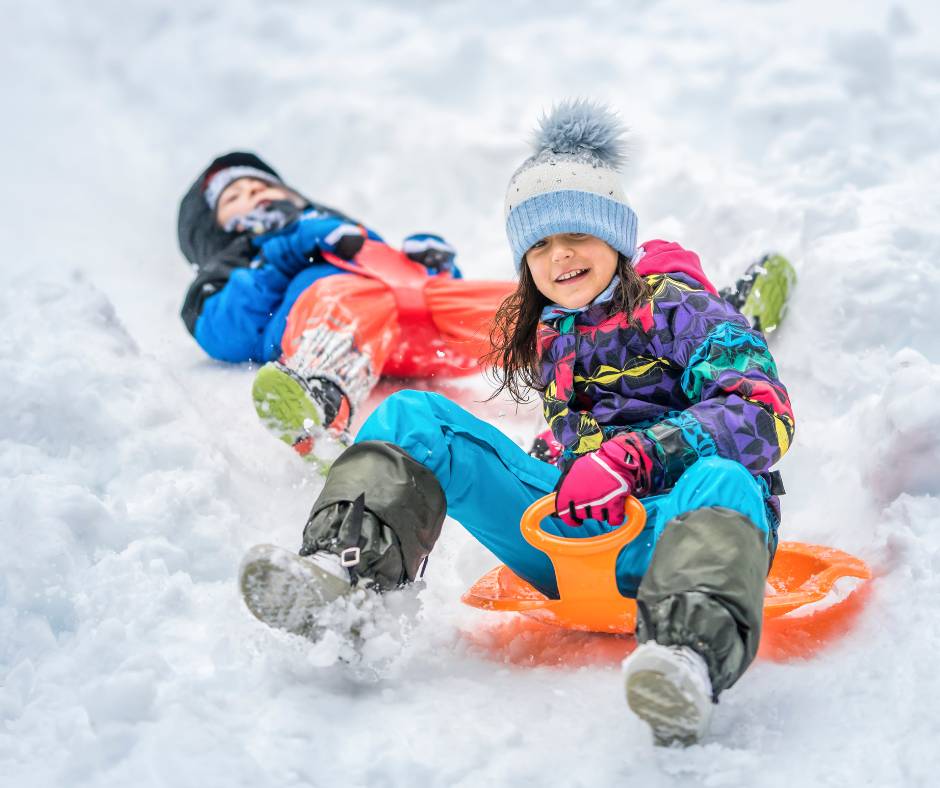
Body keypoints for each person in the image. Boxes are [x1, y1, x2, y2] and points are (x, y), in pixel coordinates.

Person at [237, 101, 795, 747]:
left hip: (674, 541)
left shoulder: (685, 312)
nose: (559, 256)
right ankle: (349, 584)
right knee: (411, 416)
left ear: (615, 236)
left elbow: (764, 413)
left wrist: (629, 459)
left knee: (730, 479)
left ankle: (685, 664)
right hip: (568, 545)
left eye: (577, 235)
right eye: (538, 245)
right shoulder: (550, 330)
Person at [177, 152, 514, 456]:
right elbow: (224, 331)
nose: (253, 193)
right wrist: (284, 251)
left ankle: (560, 340)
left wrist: (432, 266)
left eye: (260, 185)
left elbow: (402, 278)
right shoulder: (239, 258)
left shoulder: (339, 232)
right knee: (337, 294)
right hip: (342, 336)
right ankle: (320, 402)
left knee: (506, 302)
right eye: (233, 197)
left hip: (415, 326)